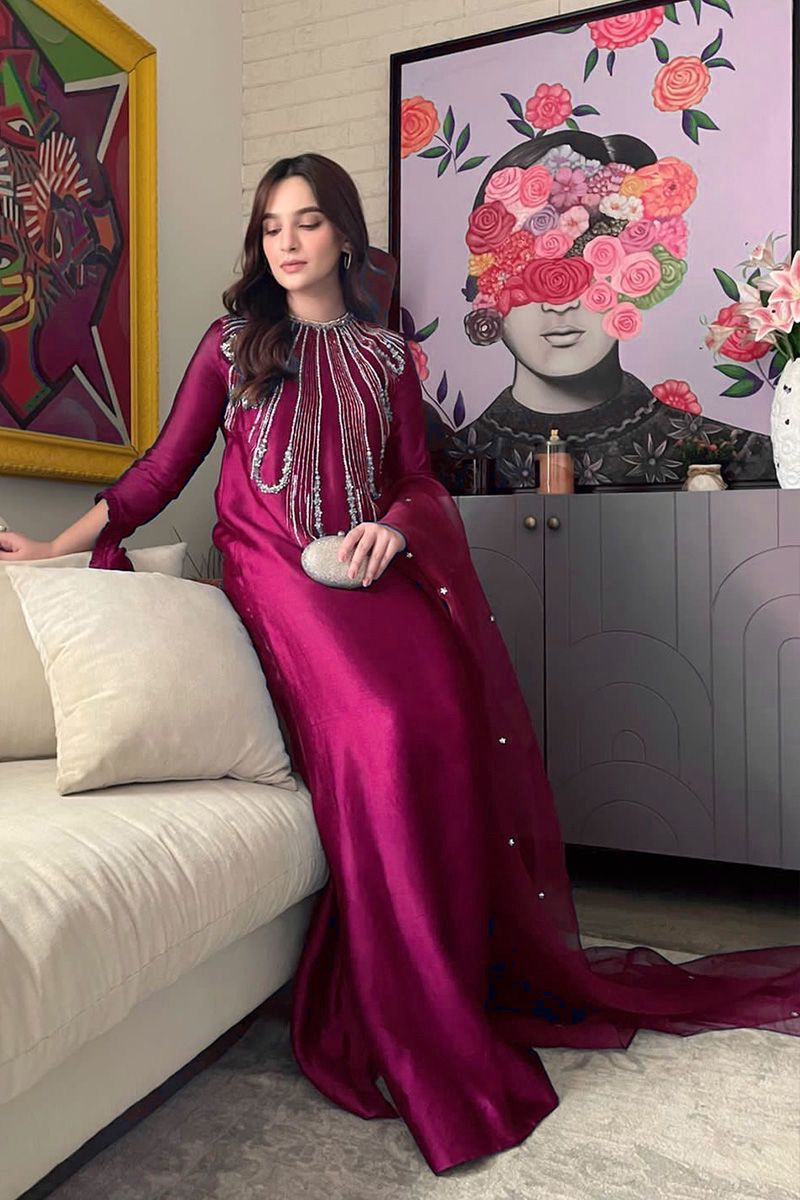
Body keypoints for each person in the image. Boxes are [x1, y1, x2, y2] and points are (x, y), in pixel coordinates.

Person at [2, 153, 798, 1176]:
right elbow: (162, 469)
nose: (286, 244)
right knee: (378, 727)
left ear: (343, 234)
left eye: (305, 223)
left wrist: (392, 526)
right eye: (271, 227)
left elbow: (417, 482)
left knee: (443, 715)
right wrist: (55, 546)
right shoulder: (232, 344)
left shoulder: (388, 357)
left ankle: (455, 975)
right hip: (276, 573)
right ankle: (411, 1011)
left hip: (373, 569)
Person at [428, 129, 775, 489]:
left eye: (591, 267)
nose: (560, 301)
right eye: (526, 272)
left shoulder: (739, 454)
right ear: (486, 283)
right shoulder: (444, 470)